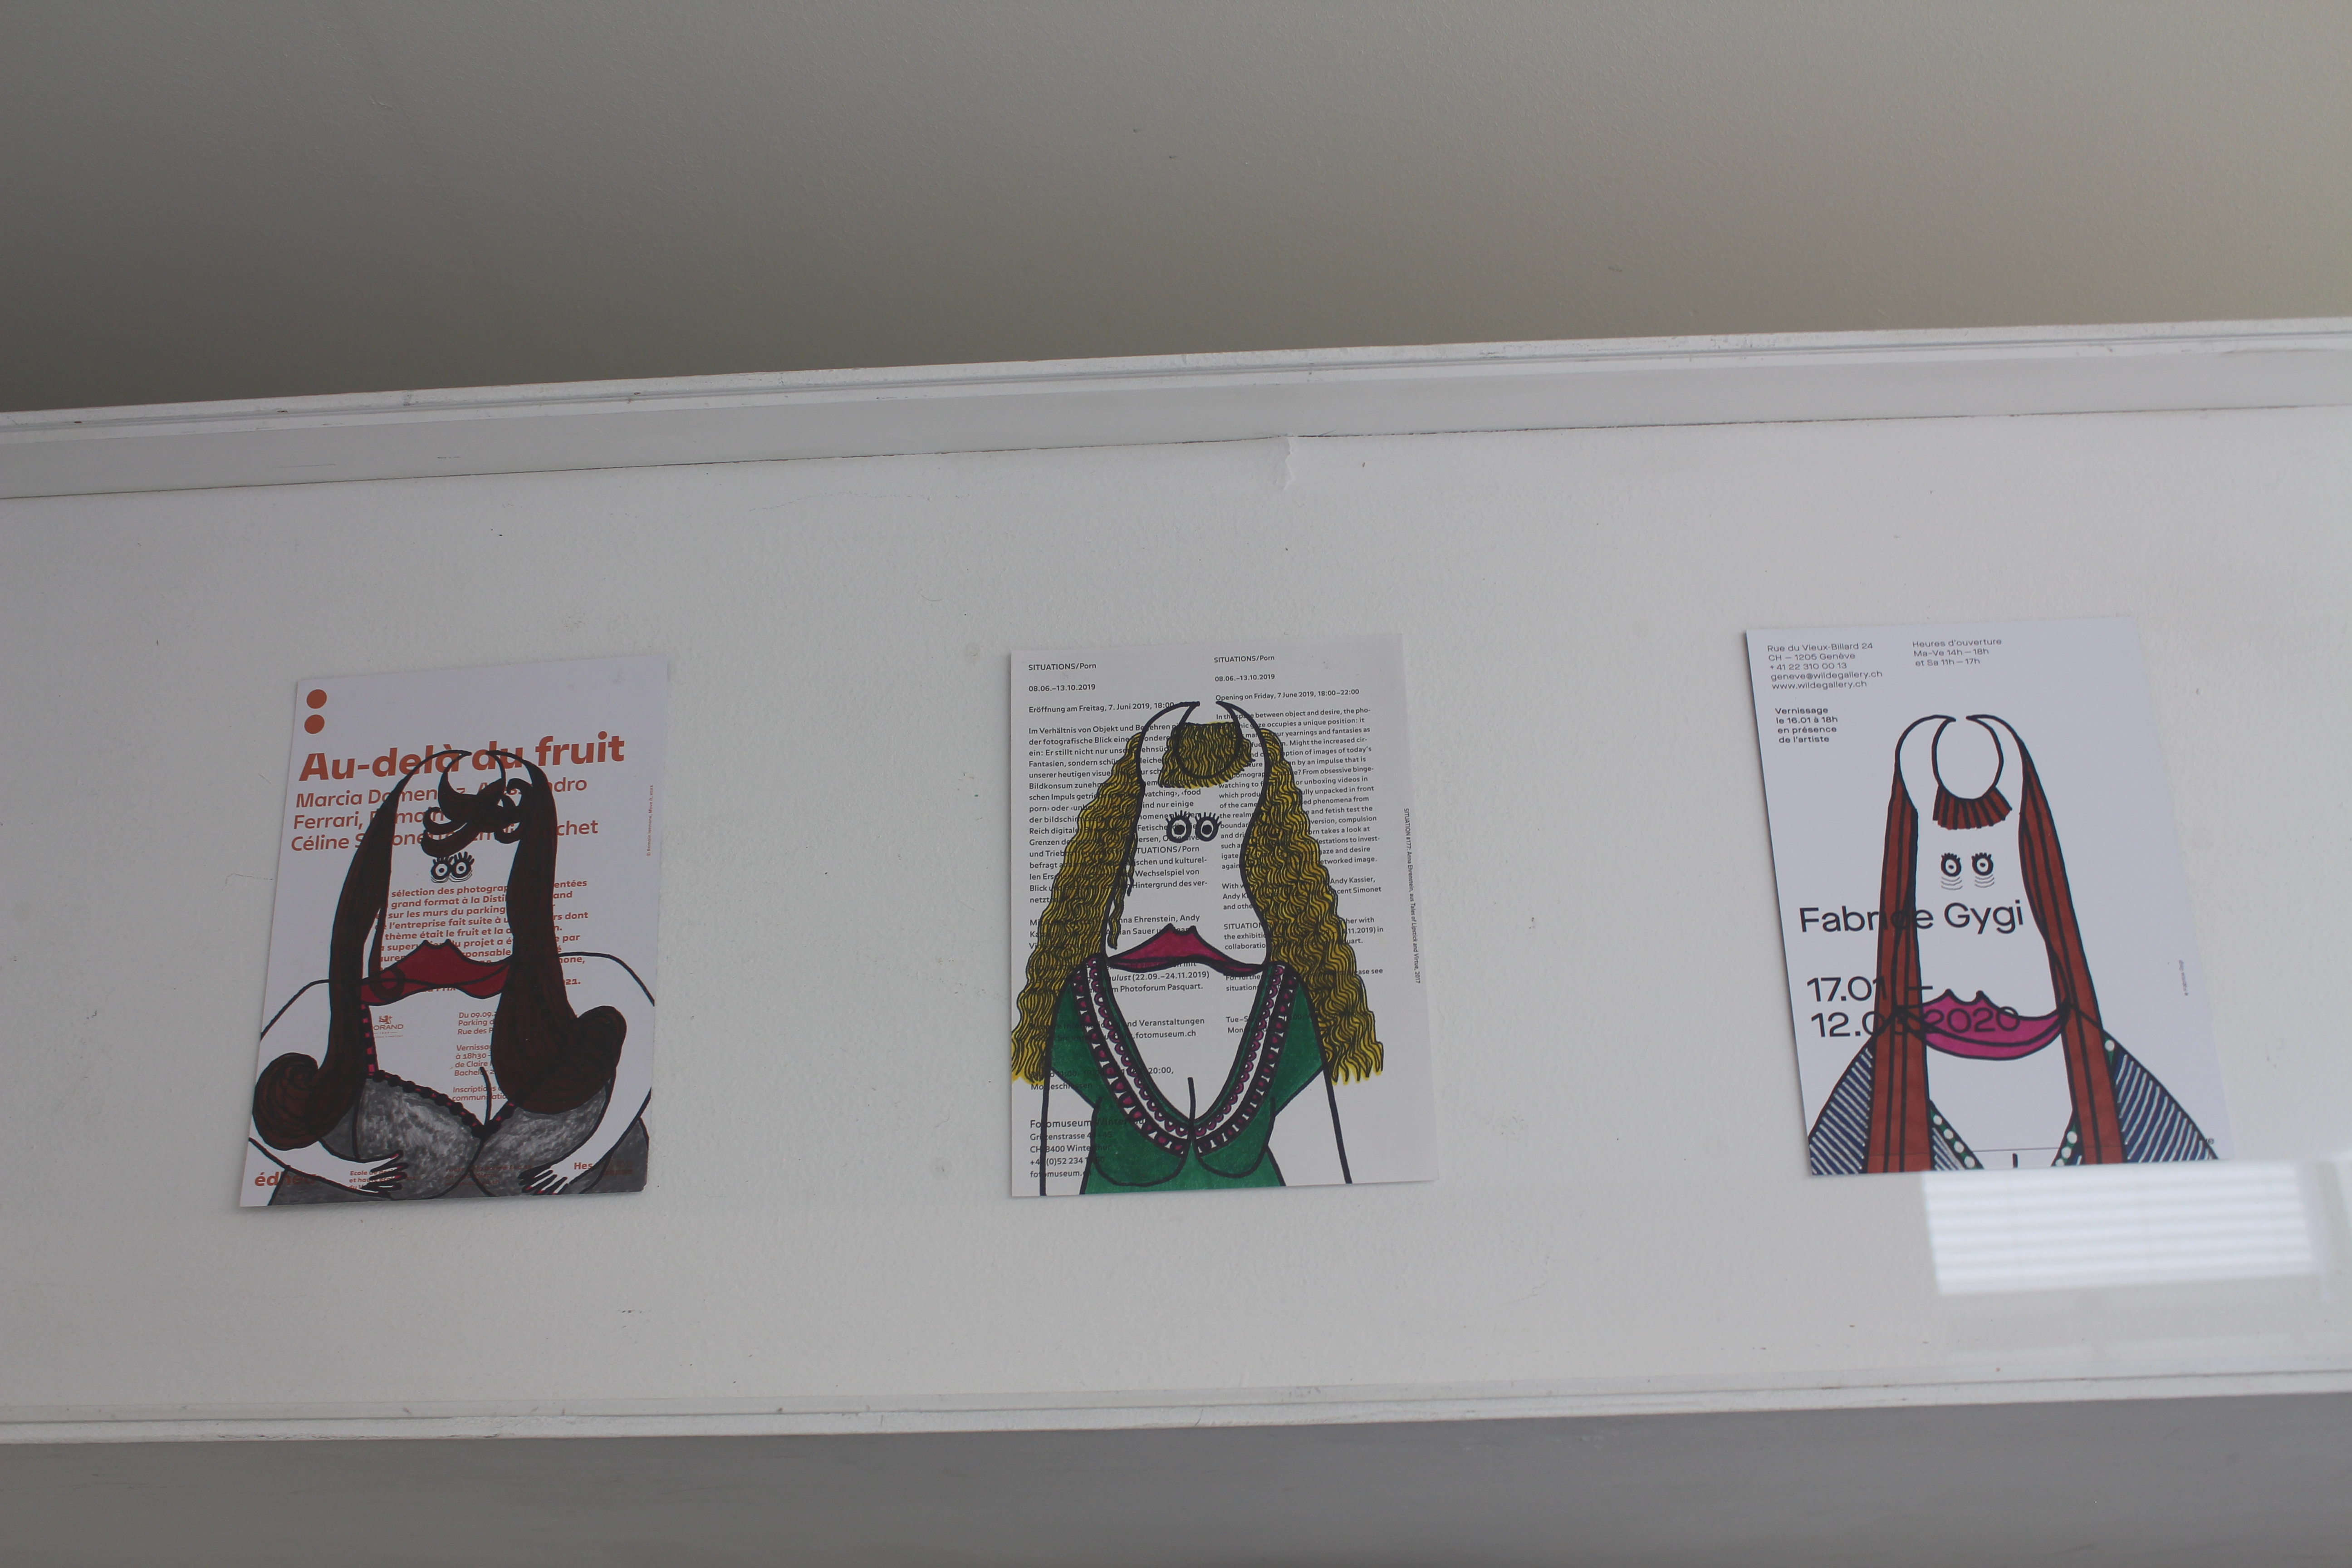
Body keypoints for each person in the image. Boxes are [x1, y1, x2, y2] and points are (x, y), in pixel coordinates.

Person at [1808, 715, 2212, 1174]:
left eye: (1990, 870)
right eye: (1948, 872)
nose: (1974, 908)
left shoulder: (2128, 1097)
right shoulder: (1866, 1099)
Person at [250, 750, 650, 1201]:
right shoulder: (329, 1002)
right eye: (436, 859)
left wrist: (583, 1158)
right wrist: (338, 1173)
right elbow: (254, 1115)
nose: (451, 881)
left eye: (471, 863)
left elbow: (643, 1064)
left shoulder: (590, 978)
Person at [1014, 700, 1376, 1193]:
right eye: (1176, 832)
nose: (1187, 915)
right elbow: (1047, 1191)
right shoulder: (1079, 1007)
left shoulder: (1290, 1007)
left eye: (1216, 834)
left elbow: (1331, 1184)